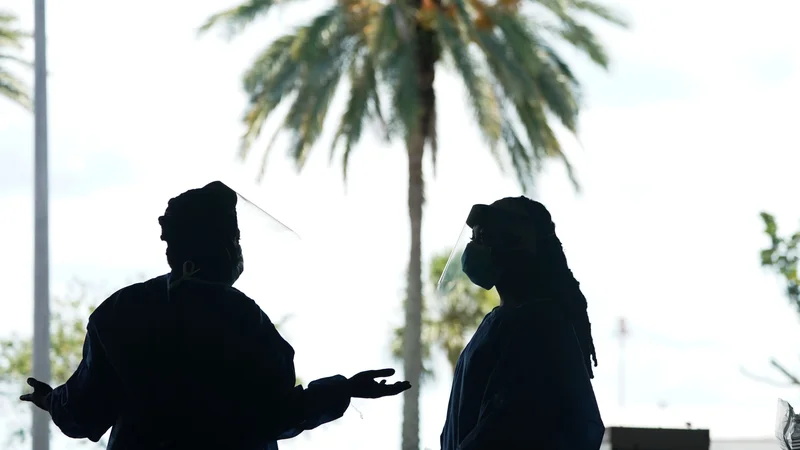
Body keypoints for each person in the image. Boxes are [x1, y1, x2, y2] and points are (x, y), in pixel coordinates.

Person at [20, 181, 411, 450]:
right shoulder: (244, 319)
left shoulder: (122, 312)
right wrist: (344, 389)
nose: (239, 248)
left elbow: (85, 414)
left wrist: (54, 400)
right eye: (235, 238)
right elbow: (276, 414)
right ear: (220, 246)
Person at [439, 196, 603, 450]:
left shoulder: (538, 328)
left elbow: (503, 427)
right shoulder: (500, 322)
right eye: (473, 239)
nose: (473, 249)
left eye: (483, 239)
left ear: (517, 248)